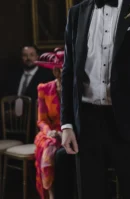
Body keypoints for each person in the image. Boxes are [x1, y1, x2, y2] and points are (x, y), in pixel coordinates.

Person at [60, 0, 130, 198]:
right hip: (86, 123)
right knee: (90, 193)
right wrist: (66, 124)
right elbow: (68, 73)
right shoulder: (76, 13)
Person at [34, 49, 64, 199]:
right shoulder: (44, 89)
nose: (62, 73)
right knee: (49, 149)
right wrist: (49, 132)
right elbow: (41, 120)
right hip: (50, 132)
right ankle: (51, 195)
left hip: (71, 131)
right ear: (55, 71)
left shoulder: (76, 90)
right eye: (59, 69)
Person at [7, 45, 54, 142]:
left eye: (31, 55)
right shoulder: (14, 74)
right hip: (13, 119)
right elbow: (7, 96)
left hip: (34, 119)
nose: (28, 58)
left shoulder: (46, 76)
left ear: (37, 57)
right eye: (25, 55)